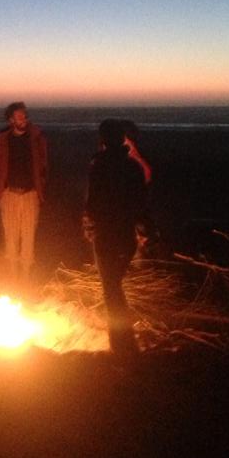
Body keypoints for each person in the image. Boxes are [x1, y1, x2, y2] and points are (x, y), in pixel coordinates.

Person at [84, 119, 152, 359]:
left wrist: (91, 223)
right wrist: (143, 231)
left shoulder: (99, 166)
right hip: (126, 235)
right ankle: (124, 341)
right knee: (115, 286)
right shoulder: (132, 167)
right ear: (122, 139)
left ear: (103, 139)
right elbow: (141, 204)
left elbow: (92, 203)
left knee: (111, 288)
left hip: (106, 234)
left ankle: (122, 344)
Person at [0, 102, 47, 287]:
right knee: (10, 237)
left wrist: (40, 190)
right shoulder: (1, 140)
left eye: (25, 115)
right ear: (11, 119)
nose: (24, 119)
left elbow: (44, 165)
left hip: (30, 195)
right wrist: (0, 192)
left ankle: (25, 279)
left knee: (28, 237)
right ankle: (13, 279)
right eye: (19, 116)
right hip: (9, 195)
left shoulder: (36, 138)